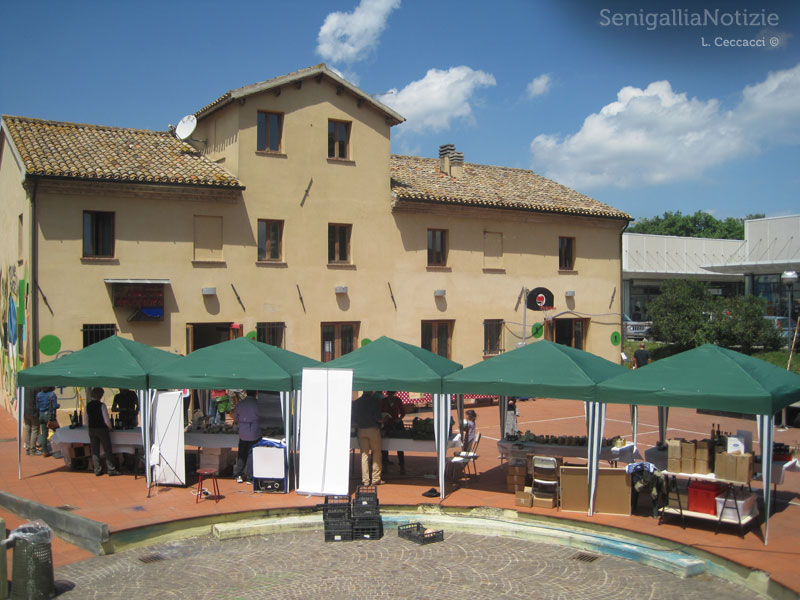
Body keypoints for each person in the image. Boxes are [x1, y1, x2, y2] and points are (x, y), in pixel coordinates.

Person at [86, 387, 120, 476]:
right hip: (101, 429)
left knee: (94, 450)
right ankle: (111, 468)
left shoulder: (88, 405)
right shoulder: (102, 405)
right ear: (100, 395)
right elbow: (106, 420)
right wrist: (110, 428)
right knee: (107, 449)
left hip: (91, 428)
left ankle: (97, 469)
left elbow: (86, 419)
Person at [352, 391, 383, 485]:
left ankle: (365, 480)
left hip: (361, 430)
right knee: (376, 453)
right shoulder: (375, 401)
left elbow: (354, 418)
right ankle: (376, 478)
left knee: (364, 455)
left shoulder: (356, 402)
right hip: (373, 429)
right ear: (371, 392)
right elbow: (378, 418)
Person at [233, 390, 261, 484]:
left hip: (243, 431)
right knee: (251, 454)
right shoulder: (257, 404)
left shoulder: (241, 403)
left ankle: (239, 474)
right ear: (255, 393)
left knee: (242, 454)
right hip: (254, 431)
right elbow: (261, 417)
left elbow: (236, 417)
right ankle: (249, 477)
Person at [380, 391, 406, 474]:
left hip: (396, 424)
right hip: (386, 425)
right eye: (389, 394)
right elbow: (380, 412)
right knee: (385, 446)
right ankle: (385, 466)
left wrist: (399, 419)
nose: (391, 395)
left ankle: (402, 466)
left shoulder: (398, 400)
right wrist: (384, 418)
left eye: (392, 393)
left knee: (399, 446)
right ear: (388, 394)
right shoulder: (383, 401)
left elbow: (403, 412)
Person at [36, 386, 59, 454]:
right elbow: (55, 406)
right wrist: (58, 405)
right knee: (57, 431)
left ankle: (45, 451)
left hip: (41, 415)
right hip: (49, 416)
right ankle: (58, 449)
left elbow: (37, 406)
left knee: (44, 433)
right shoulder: (52, 394)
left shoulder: (39, 394)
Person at [23, 387, 42, 455]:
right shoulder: (36, 387)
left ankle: (28, 448)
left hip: (25, 411)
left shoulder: (25, 387)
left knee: (27, 429)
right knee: (35, 429)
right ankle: (33, 449)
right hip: (33, 412)